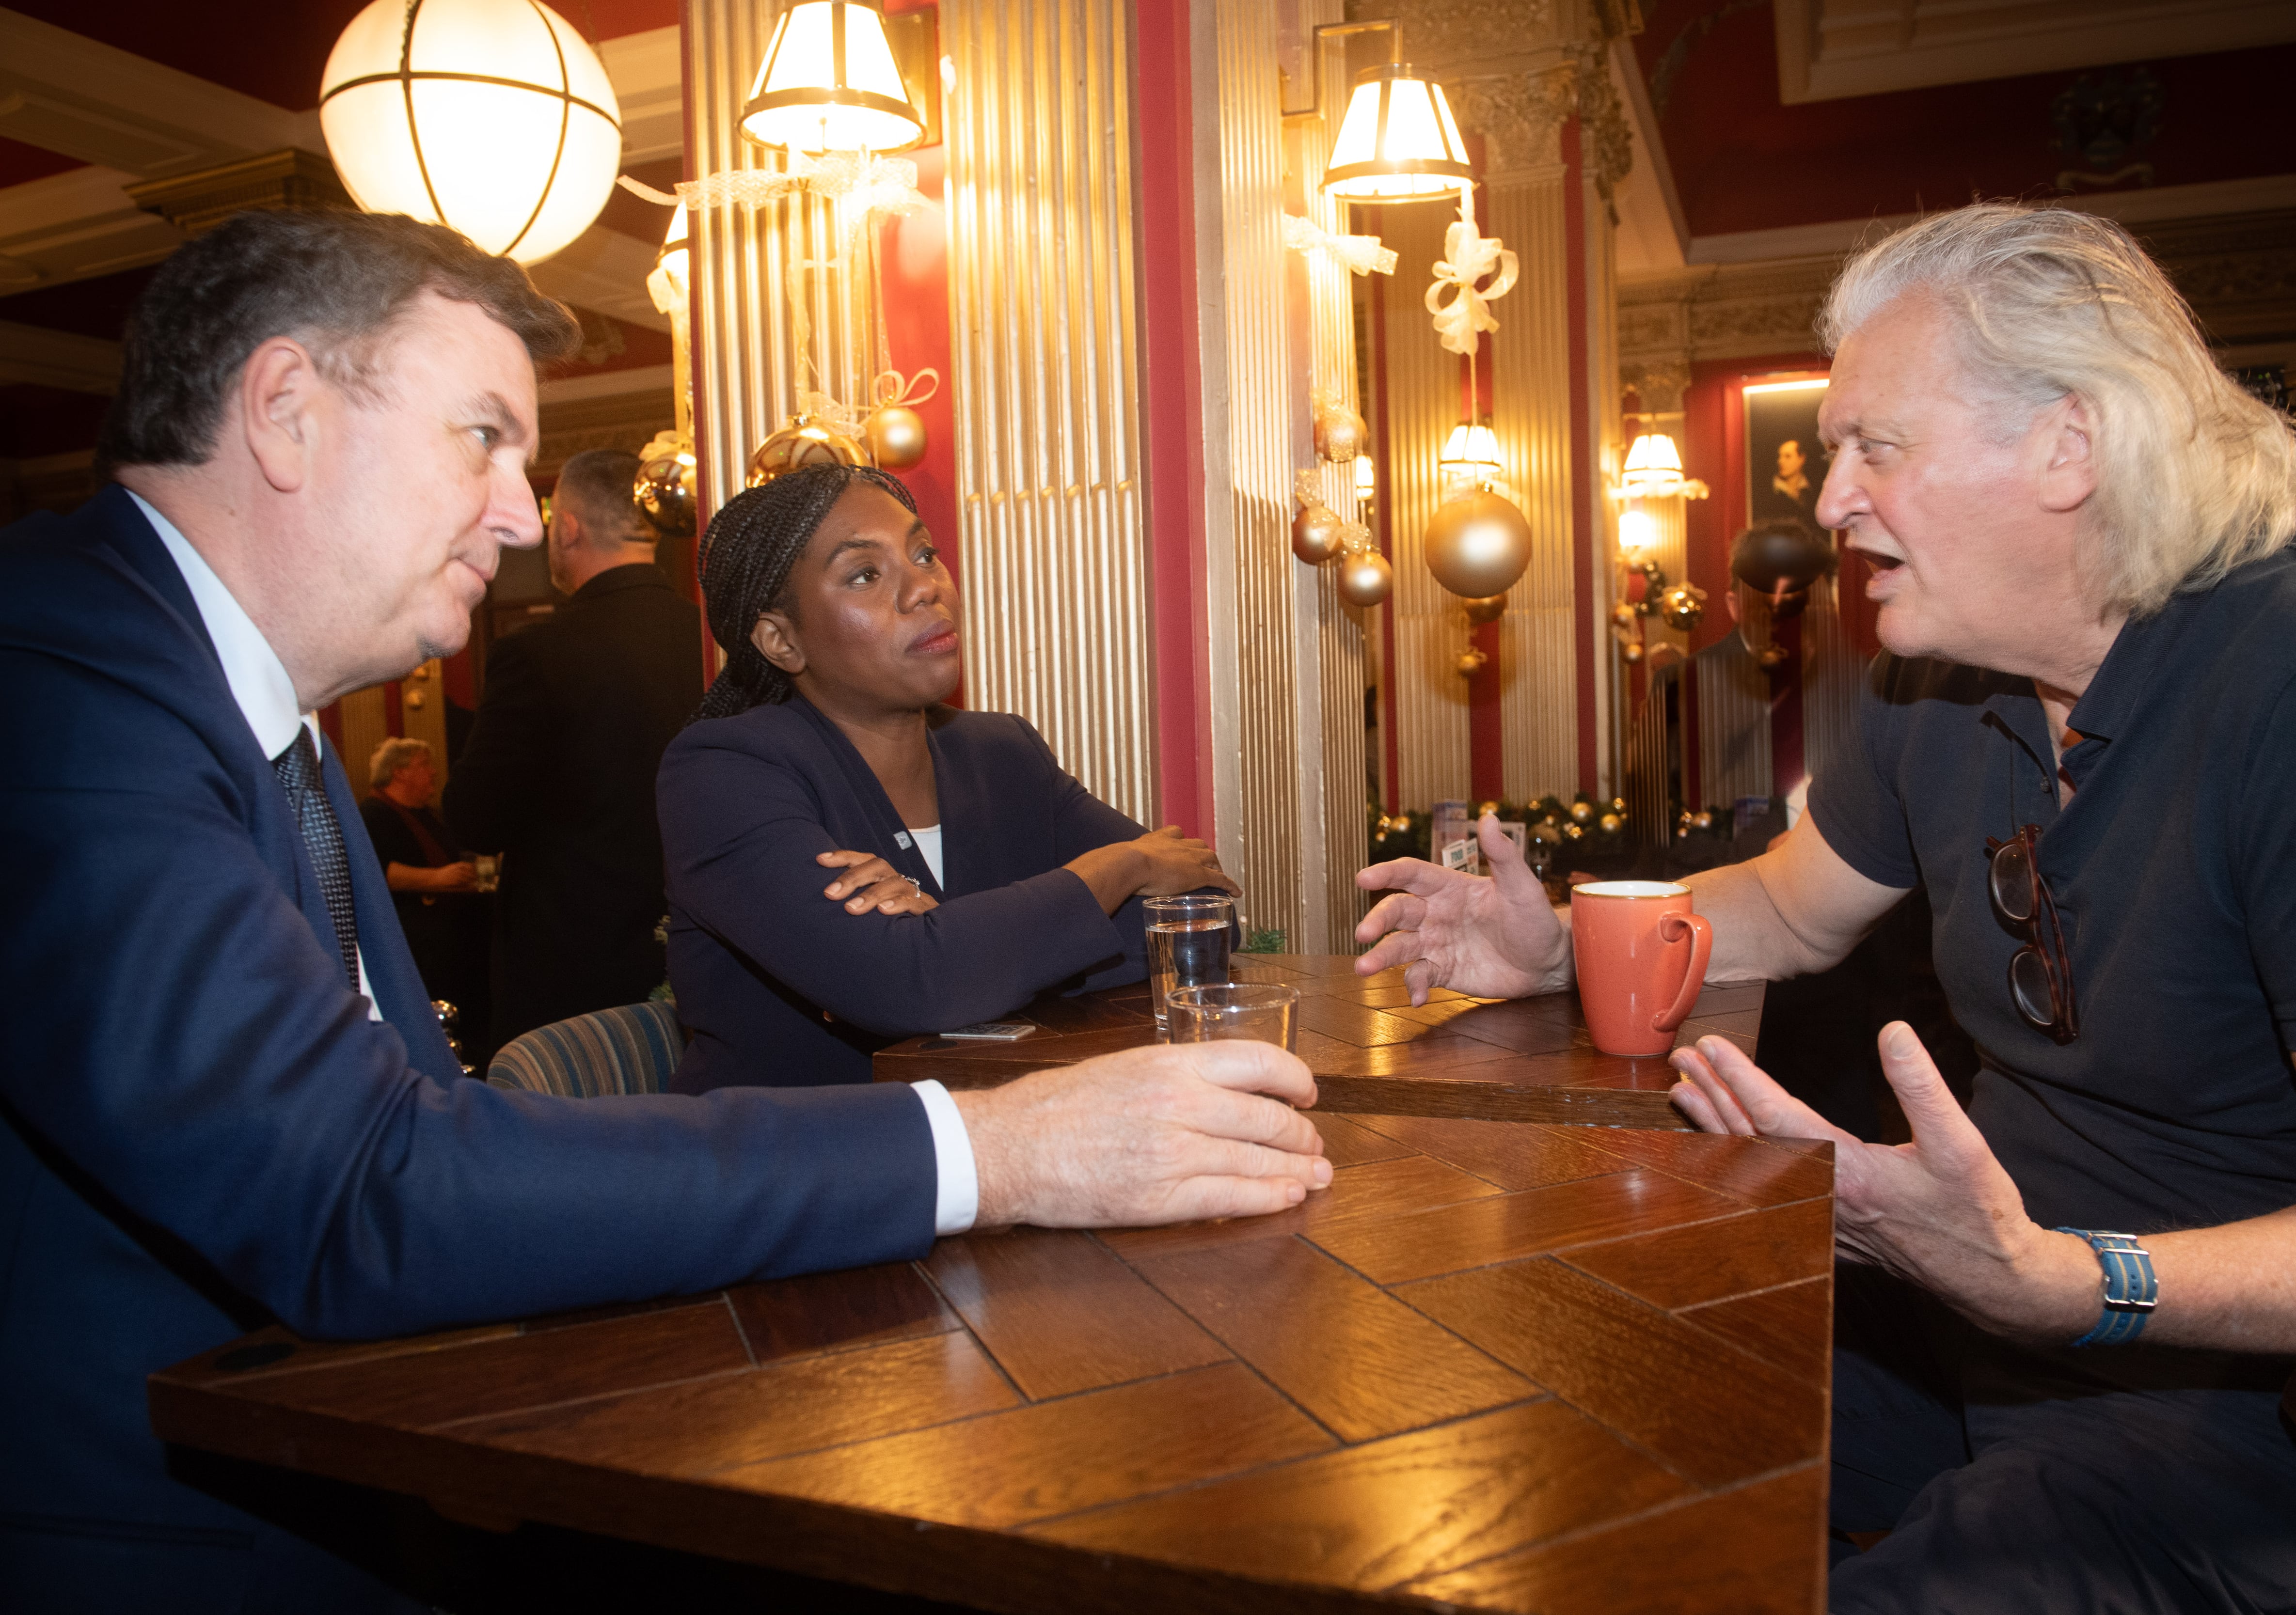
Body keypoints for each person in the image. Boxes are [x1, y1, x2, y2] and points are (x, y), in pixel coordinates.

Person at [0, 208, 1330, 1613]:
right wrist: (994, 1149)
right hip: (165, 1536)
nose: (523, 515)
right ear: (283, 410)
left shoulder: (240, 704)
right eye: (483, 436)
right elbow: (361, 1189)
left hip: (357, 1457)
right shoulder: (57, 682)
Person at [1354, 204, 2296, 1612]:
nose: (1830, 499)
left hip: (2249, 1410)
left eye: (1876, 447)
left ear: (2068, 445)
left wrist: (2070, 1282)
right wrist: (1555, 942)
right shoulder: (1930, 674)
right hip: (1971, 1315)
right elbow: (1790, 913)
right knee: (1539, 1413)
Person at [659, 465, 1236, 1093]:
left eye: (924, 554)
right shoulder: (723, 774)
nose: (925, 589)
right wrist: (1118, 869)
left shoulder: (1002, 754)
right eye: (865, 575)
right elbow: (910, 987)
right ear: (781, 640)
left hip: (996, 1150)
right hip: (798, 1167)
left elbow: (1199, 922)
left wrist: (953, 942)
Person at [443, 447, 701, 1054]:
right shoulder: (712, 641)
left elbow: (474, 820)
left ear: (568, 527)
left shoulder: (538, 655)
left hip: (570, 976)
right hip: (701, 957)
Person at [356, 735, 490, 1058]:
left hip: (452, 934)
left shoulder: (427, 815)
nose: (433, 773)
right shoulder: (374, 813)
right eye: (424, 765)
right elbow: (376, 871)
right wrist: (437, 878)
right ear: (400, 772)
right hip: (415, 938)